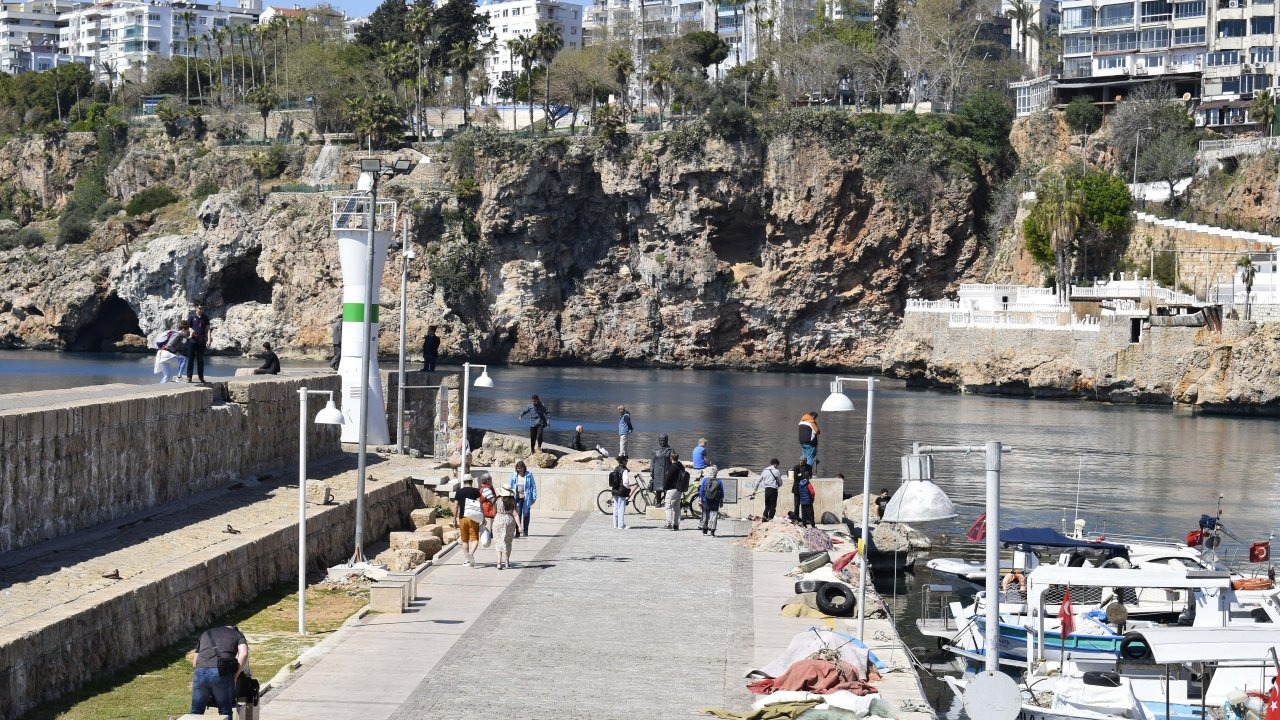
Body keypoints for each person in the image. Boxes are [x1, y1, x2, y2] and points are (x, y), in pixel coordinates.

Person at [190, 623, 249, 716]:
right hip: (221, 673)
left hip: (200, 671)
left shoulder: (206, 633)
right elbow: (244, 653)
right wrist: (236, 674)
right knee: (225, 712)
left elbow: (194, 663)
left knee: (196, 712)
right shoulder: (237, 634)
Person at [453, 476, 483, 567]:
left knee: (464, 540)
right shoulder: (475, 491)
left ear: (464, 481)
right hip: (473, 517)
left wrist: (454, 519)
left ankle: (466, 559)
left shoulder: (459, 492)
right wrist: (483, 517)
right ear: (471, 481)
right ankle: (471, 553)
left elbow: (455, 506)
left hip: (462, 518)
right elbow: (479, 505)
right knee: (475, 539)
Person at [491, 488, 521, 569]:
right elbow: (515, 514)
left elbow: (494, 512)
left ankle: (499, 562)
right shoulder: (512, 501)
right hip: (510, 521)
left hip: (498, 520)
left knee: (498, 541)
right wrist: (520, 526)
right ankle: (507, 561)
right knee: (508, 542)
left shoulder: (497, 500)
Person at [508, 460, 537, 537]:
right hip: (517, 497)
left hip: (526, 497)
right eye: (518, 468)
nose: (519, 470)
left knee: (526, 513)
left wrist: (534, 496)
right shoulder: (514, 475)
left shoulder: (529, 475)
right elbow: (510, 485)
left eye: (521, 468)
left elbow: (533, 486)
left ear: (524, 468)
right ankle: (517, 531)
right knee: (518, 514)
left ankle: (526, 531)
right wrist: (509, 495)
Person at [186, 303, 213, 384]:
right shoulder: (191, 317)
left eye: (202, 308)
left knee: (200, 360)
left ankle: (201, 377)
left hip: (201, 340)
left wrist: (209, 339)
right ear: (196, 308)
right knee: (190, 359)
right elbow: (187, 326)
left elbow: (208, 329)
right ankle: (189, 377)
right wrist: (191, 330)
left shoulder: (205, 317)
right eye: (200, 308)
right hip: (192, 340)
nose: (201, 310)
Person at [664, 452, 690, 531]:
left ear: (671, 458)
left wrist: (665, 487)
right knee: (677, 508)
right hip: (679, 489)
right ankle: (676, 524)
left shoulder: (673, 467)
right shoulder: (681, 466)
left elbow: (668, 479)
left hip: (672, 489)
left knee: (668, 506)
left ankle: (668, 523)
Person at [699, 467, 724, 537]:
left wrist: (700, 500)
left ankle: (704, 531)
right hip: (715, 501)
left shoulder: (705, 480)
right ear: (716, 473)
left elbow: (701, 491)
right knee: (714, 515)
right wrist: (721, 501)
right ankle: (712, 531)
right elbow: (721, 492)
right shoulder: (719, 482)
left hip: (705, 501)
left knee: (705, 515)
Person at [651, 433, 675, 506]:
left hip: (667, 472)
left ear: (667, 440)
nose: (662, 442)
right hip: (657, 472)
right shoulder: (655, 450)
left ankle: (666, 502)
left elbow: (673, 462)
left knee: (667, 488)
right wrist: (651, 471)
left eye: (664, 440)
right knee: (658, 489)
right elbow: (652, 461)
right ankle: (658, 502)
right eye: (661, 440)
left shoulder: (671, 450)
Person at [608, 455, 630, 530]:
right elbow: (626, 481)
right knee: (621, 508)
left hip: (615, 490)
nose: (627, 462)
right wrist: (628, 488)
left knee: (615, 508)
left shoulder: (616, 468)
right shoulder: (624, 470)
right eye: (626, 460)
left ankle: (615, 524)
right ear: (623, 461)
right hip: (621, 491)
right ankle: (621, 525)